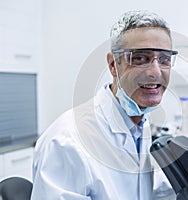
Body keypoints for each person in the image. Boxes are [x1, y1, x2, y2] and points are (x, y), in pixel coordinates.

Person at [31, 10, 178, 199]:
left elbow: (135, 186)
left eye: (164, 59)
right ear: (113, 65)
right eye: (140, 58)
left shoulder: (138, 123)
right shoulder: (67, 142)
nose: (155, 72)